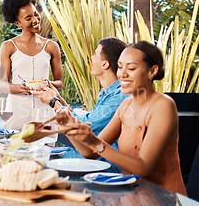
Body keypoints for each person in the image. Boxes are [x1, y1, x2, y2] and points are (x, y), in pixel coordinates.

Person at [60, 41, 186, 195]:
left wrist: (95, 142)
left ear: (152, 71)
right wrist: (68, 127)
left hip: (161, 201)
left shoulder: (163, 106)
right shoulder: (126, 105)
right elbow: (90, 153)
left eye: (131, 68)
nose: (122, 74)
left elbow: (143, 168)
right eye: (120, 67)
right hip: (129, 198)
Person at [32, 37, 128, 137]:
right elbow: (90, 118)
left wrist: (53, 102)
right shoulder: (107, 92)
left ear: (105, 64)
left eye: (95, 54)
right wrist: (58, 99)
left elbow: (86, 125)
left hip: (98, 151)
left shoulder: (119, 96)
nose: (91, 58)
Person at [0, 0, 63, 130]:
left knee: (46, 149)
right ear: (17, 23)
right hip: (17, 112)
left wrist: (48, 83)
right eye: (28, 18)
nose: (35, 20)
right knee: (15, 148)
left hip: (45, 111)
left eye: (36, 14)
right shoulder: (8, 47)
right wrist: (20, 88)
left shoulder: (51, 46)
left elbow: (60, 82)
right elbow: (2, 84)